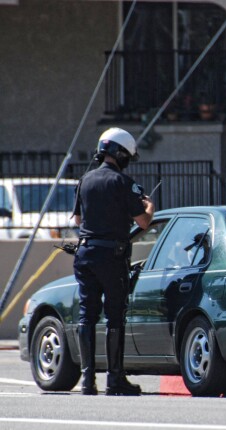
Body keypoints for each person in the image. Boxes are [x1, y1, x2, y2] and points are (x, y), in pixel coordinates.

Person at [72, 127, 155, 396]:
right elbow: (143, 221)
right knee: (115, 317)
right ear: (120, 154)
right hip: (111, 256)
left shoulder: (85, 180)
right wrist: (149, 205)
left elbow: (77, 221)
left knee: (87, 315)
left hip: (85, 254)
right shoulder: (122, 182)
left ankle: (87, 381)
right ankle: (115, 379)